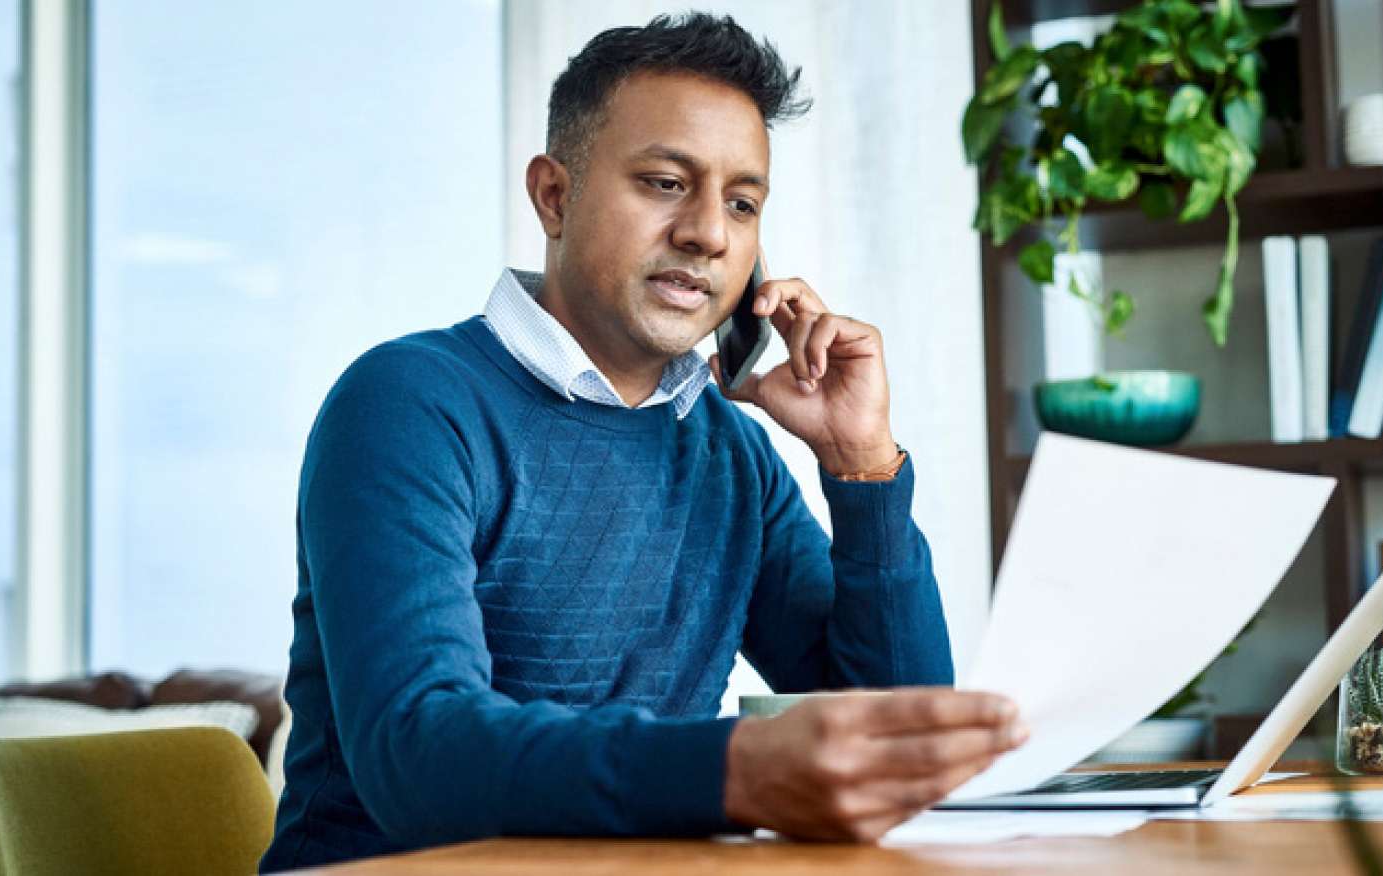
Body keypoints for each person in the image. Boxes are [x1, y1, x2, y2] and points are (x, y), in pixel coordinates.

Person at [260, 13, 1025, 872]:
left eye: (743, 202)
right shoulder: (408, 403)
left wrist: (862, 466)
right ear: (555, 196)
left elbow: (896, 740)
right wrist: (732, 769)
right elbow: (418, 752)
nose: (710, 233)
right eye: (666, 183)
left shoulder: (729, 453)